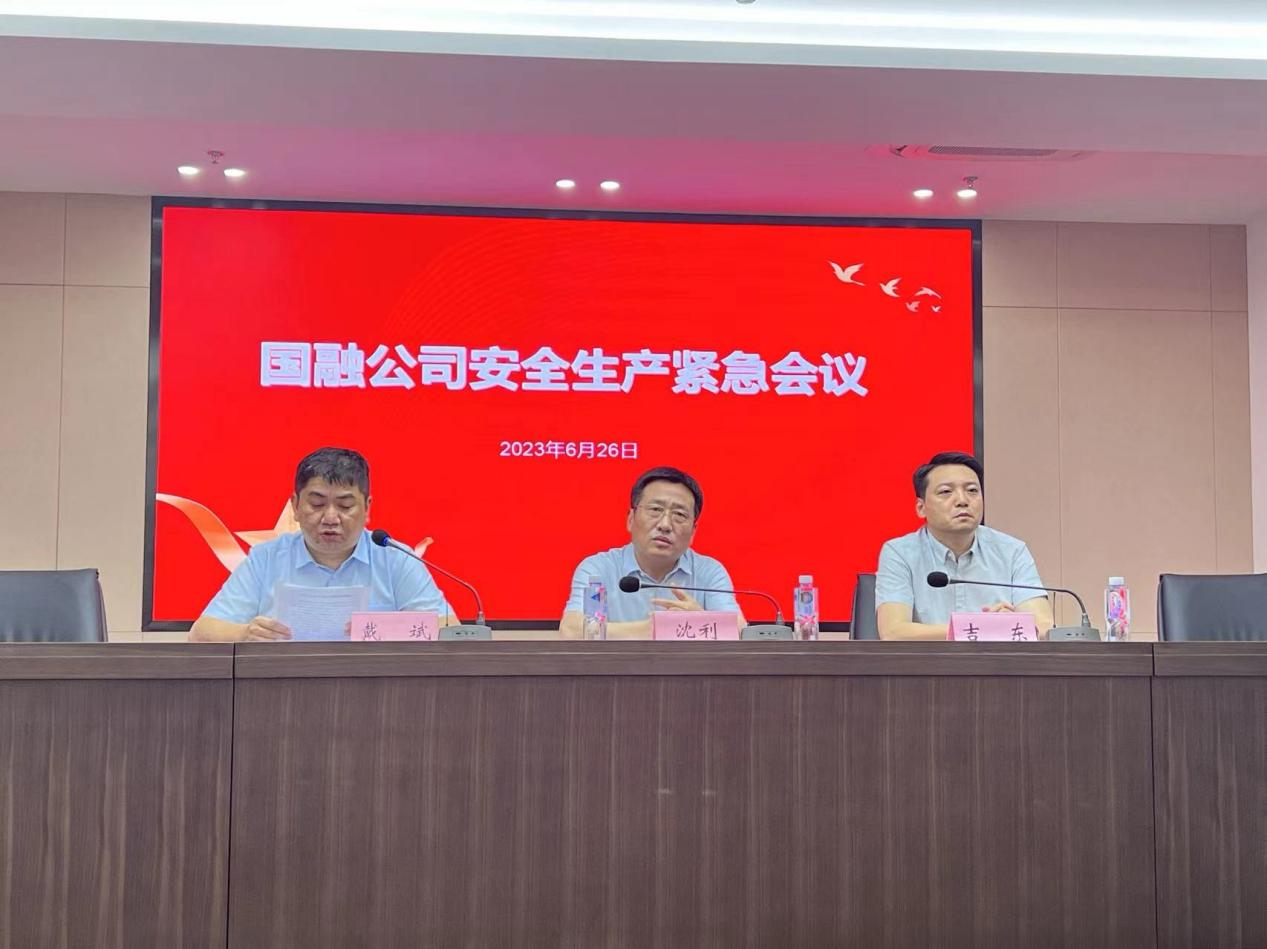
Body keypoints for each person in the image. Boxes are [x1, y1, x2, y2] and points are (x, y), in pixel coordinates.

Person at [188, 446, 456, 641]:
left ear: (367, 508)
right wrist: (245, 633)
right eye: (317, 504)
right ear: (295, 506)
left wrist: (381, 629)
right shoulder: (266, 558)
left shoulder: (395, 558)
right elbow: (201, 632)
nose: (330, 518)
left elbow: (449, 628)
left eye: (345, 505)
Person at [875, 451, 1054, 641]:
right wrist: (986, 627)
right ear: (921, 508)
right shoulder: (899, 553)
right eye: (946, 492)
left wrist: (1003, 625)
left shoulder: (1012, 551)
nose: (962, 501)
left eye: (972, 490)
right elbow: (893, 632)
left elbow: (1044, 628)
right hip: (929, 660)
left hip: (996, 659)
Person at [560, 466, 744, 639]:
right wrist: (658, 628)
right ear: (631, 519)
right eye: (656, 509)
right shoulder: (599, 569)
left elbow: (739, 632)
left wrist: (699, 621)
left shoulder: (709, 572)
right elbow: (573, 630)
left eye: (679, 515)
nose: (665, 525)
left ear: (693, 531)